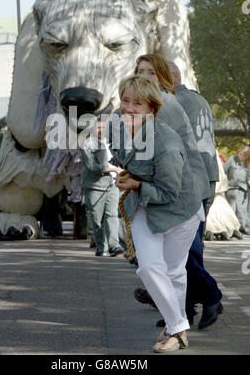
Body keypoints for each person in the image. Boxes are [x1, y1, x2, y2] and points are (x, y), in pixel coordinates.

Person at [112, 75, 203, 352]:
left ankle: (174, 329)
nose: (128, 108)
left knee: (174, 271)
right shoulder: (118, 121)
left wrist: (136, 182)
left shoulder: (166, 144)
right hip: (143, 205)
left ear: (152, 109)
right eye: (125, 100)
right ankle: (178, 327)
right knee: (150, 267)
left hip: (179, 210)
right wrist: (125, 170)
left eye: (137, 104)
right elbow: (119, 152)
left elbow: (169, 193)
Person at [133, 55, 223, 330]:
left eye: (151, 73)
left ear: (167, 77)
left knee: (186, 254)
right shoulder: (197, 99)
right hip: (200, 178)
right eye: (141, 72)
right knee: (181, 252)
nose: (145, 78)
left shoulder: (170, 102)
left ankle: (210, 298)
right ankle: (182, 310)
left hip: (188, 184)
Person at [80, 117, 124, 257]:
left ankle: (114, 245)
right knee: (96, 220)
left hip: (112, 185)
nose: (101, 130)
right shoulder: (87, 145)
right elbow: (93, 167)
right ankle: (101, 246)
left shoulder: (112, 143)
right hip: (95, 186)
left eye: (104, 127)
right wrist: (114, 169)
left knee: (112, 215)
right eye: (98, 127)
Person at [205, 153, 243, 240]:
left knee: (211, 210)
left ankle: (211, 230)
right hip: (217, 187)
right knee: (221, 208)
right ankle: (230, 229)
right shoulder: (214, 153)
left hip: (210, 187)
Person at [223, 145, 250, 235]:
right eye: (240, 153)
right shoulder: (232, 160)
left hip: (243, 190)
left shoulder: (248, 165)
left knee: (241, 210)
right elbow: (224, 171)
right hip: (231, 188)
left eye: (244, 155)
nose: (241, 156)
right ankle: (230, 228)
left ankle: (241, 228)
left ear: (247, 156)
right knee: (232, 208)